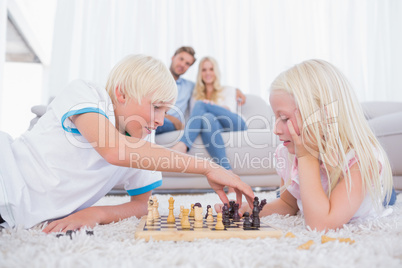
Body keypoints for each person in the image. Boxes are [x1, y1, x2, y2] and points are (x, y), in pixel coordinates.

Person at [0, 54, 254, 232]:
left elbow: (142, 205)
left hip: (14, 216)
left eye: (166, 112)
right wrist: (208, 167)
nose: (160, 120)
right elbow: (113, 149)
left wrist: (97, 214)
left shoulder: (144, 143)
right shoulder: (86, 93)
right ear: (121, 93)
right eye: (156, 107)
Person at [216, 59, 396, 231]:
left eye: (284, 118)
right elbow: (288, 204)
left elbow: (321, 225)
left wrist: (306, 156)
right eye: (275, 118)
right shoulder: (287, 154)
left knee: (388, 197)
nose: (276, 129)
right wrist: (247, 209)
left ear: (323, 117)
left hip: (374, 191)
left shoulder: (361, 161)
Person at [171, 56, 247, 193]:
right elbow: (198, 119)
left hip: (235, 124)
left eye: (211, 69)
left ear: (216, 71)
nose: (207, 73)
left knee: (203, 106)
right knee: (207, 117)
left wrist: (212, 106)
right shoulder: (195, 94)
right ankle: (229, 176)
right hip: (215, 128)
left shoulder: (228, 90)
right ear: (200, 73)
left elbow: (229, 109)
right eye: (204, 69)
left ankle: (183, 144)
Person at [155, 46, 246, 135]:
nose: (183, 64)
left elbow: (208, 86)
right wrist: (170, 118)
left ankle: (183, 143)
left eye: (187, 63)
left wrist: (237, 90)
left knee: (202, 108)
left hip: (169, 124)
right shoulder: (155, 79)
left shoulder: (189, 86)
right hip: (158, 118)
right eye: (181, 59)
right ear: (173, 57)